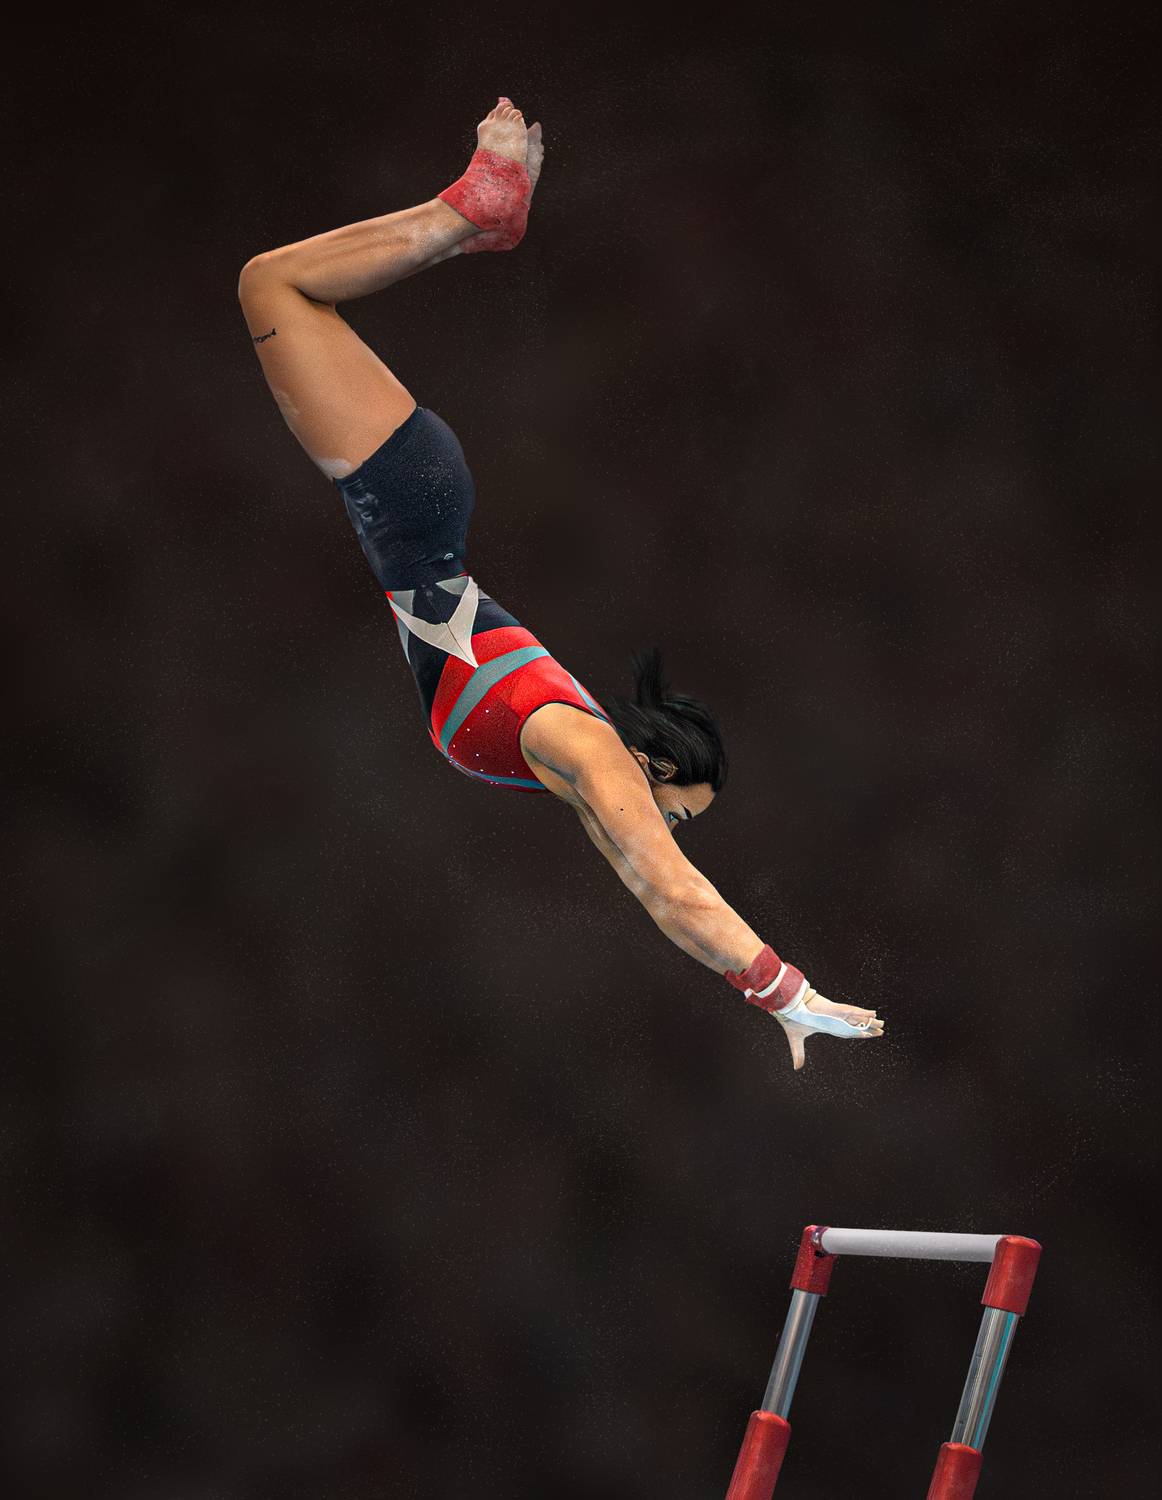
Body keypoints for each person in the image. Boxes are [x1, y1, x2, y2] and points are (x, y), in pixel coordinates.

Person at [238, 97, 884, 1070]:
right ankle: (470, 211)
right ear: (654, 769)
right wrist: (789, 991)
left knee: (281, 290)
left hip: (410, 507)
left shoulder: (573, 762)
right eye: (675, 813)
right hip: (406, 501)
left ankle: (476, 219)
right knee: (273, 284)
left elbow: (653, 894)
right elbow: (675, 888)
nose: (663, 831)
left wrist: (767, 1000)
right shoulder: (589, 749)